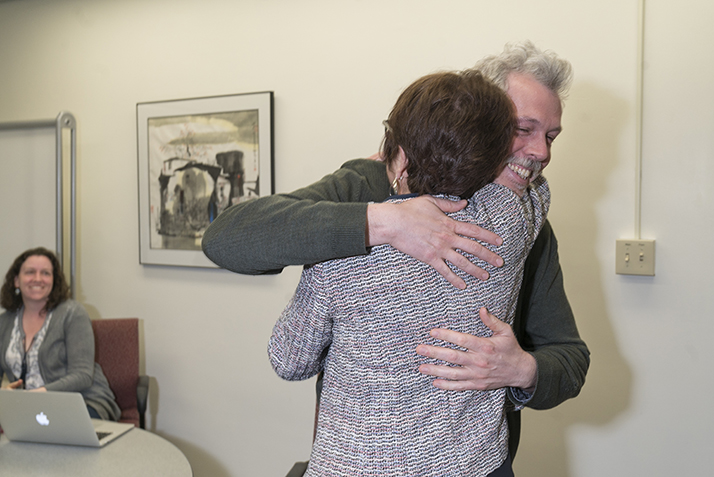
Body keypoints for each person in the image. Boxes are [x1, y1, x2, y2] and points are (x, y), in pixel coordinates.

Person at [202, 41, 590, 458]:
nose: (542, 152)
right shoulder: (366, 186)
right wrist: (382, 222)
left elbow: (569, 359)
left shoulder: (527, 225)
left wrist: (523, 370)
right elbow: (226, 239)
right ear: (480, 122)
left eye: (551, 136)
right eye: (523, 129)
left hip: (476, 460)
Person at [269, 70, 548, 476]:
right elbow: (535, 186)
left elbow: (288, 360)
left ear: (398, 153)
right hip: (474, 465)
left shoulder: (342, 255)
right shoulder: (512, 221)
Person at [0, 247, 120, 421]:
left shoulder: (73, 313)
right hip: (28, 407)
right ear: (16, 281)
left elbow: (83, 376)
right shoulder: (4, 322)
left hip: (82, 400)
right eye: (30, 272)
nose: (38, 279)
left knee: (47, 438)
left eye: (46, 273)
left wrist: (36, 394)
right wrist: (5, 393)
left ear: (54, 281)